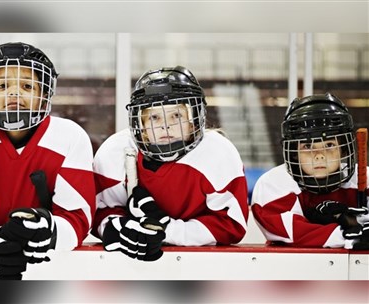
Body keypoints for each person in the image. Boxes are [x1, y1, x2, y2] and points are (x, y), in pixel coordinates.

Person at [0, 42, 95, 280]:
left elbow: (75, 216)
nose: (14, 93)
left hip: (51, 267)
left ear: (44, 94)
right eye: (2, 85)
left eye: (27, 85)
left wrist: (49, 234)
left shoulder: (70, 136)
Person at [93, 66, 249, 261]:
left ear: (194, 120)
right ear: (139, 125)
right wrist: (119, 229)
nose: (165, 126)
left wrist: (167, 230)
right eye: (154, 117)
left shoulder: (218, 153)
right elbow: (101, 212)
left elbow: (230, 226)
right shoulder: (115, 151)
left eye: (176, 115)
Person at [251, 93, 369, 249]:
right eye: (307, 146)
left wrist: (352, 221)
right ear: (294, 152)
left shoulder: (364, 178)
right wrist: (348, 234)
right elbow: (291, 232)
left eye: (329, 145)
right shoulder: (273, 184)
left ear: (343, 149)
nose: (319, 156)